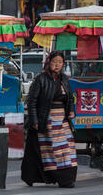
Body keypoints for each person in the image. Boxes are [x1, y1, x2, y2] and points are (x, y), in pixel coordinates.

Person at [21, 50, 77, 188]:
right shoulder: (41, 79)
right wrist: (34, 121)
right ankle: (58, 179)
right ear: (48, 63)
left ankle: (67, 178)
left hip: (62, 120)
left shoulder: (64, 79)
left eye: (59, 62)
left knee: (68, 148)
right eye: (54, 62)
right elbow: (32, 101)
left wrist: (71, 111)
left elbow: (70, 98)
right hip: (46, 119)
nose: (57, 65)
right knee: (53, 150)